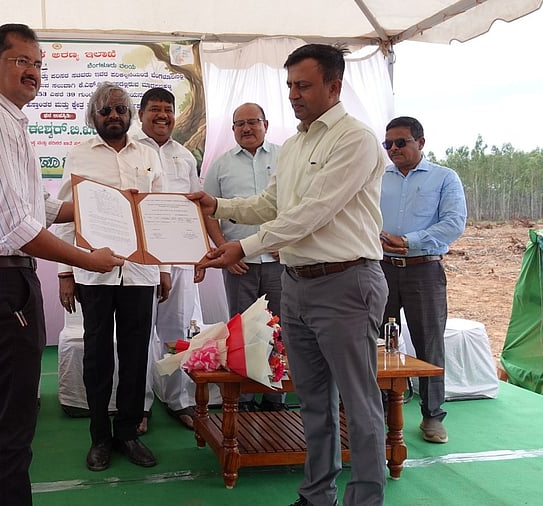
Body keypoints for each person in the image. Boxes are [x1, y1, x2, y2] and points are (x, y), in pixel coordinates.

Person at [191, 44, 389, 506]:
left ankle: (365, 499)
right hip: (297, 286)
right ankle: (317, 494)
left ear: (334, 86)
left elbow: (311, 214)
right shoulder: (296, 144)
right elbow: (270, 206)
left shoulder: (354, 139)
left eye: (303, 86)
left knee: (357, 404)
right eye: (290, 87)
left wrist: (244, 245)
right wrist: (216, 205)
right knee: (312, 401)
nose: (294, 96)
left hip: (346, 284)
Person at [0, 24, 122, 506]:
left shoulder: (4, 118)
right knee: (10, 425)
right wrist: (90, 260)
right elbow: (16, 230)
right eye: (22, 61)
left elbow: (33, 207)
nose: (33, 72)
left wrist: (97, 206)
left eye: (38, 64)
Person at [56, 82, 170, 472]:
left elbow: (160, 213)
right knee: (98, 357)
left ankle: (128, 433)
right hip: (94, 273)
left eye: (121, 109)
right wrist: (65, 272)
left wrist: (165, 269)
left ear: (130, 114)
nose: (114, 116)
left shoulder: (149, 154)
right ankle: (100, 437)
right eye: (106, 111)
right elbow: (65, 216)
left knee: (137, 355)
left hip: (141, 273)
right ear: (94, 116)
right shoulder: (79, 156)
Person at [379, 116, 467, 444]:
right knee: (379, 341)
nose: (393, 149)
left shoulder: (444, 178)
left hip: (424, 269)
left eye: (400, 143)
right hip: (382, 269)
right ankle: (383, 411)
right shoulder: (377, 178)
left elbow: (453, 223)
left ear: (421, 143)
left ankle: (432, 416)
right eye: (387, 144)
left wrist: (410, 240)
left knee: (429, 342)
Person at [202, 102, 286, 412]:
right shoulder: (220, 165)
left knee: (279, 329)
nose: (247, 128)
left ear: (267, 124)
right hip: (239, 264)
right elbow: (209, 211)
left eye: (253, 122)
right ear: (233, 129)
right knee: (243, 330)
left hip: (280, 261)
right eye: (240, 124)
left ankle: (274, 396)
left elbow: (294, 205)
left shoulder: (284, 157)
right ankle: (245, 397)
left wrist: (287, 241)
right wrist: (225, 249)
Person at [133, 87, 201, 430]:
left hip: (181, 259)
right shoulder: (130, 152)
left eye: (168, 110)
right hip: (143, 259)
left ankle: (179, 400)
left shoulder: (185, 157)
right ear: (141, 114)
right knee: (142, 335)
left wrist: (200, 256)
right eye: (155, 109)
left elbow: (196, 208)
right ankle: (140, 406)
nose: (162, 115)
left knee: (177, 334)